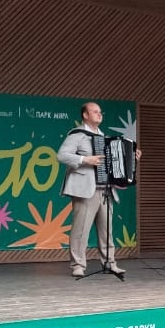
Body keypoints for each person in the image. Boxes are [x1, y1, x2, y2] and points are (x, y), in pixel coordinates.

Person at [57, 102, 140, 277]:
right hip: (85, 190)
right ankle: (78, 265)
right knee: (81, 230)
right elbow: (61, 155)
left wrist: (132, 156)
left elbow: (115, 162)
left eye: (100, 112)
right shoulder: (77, 135)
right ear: (85, 115)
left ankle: (110, 263)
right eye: (95, 112)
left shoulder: (105, 138)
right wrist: (85, 160)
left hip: (106, 190)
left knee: (106, 231)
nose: (99, 114)